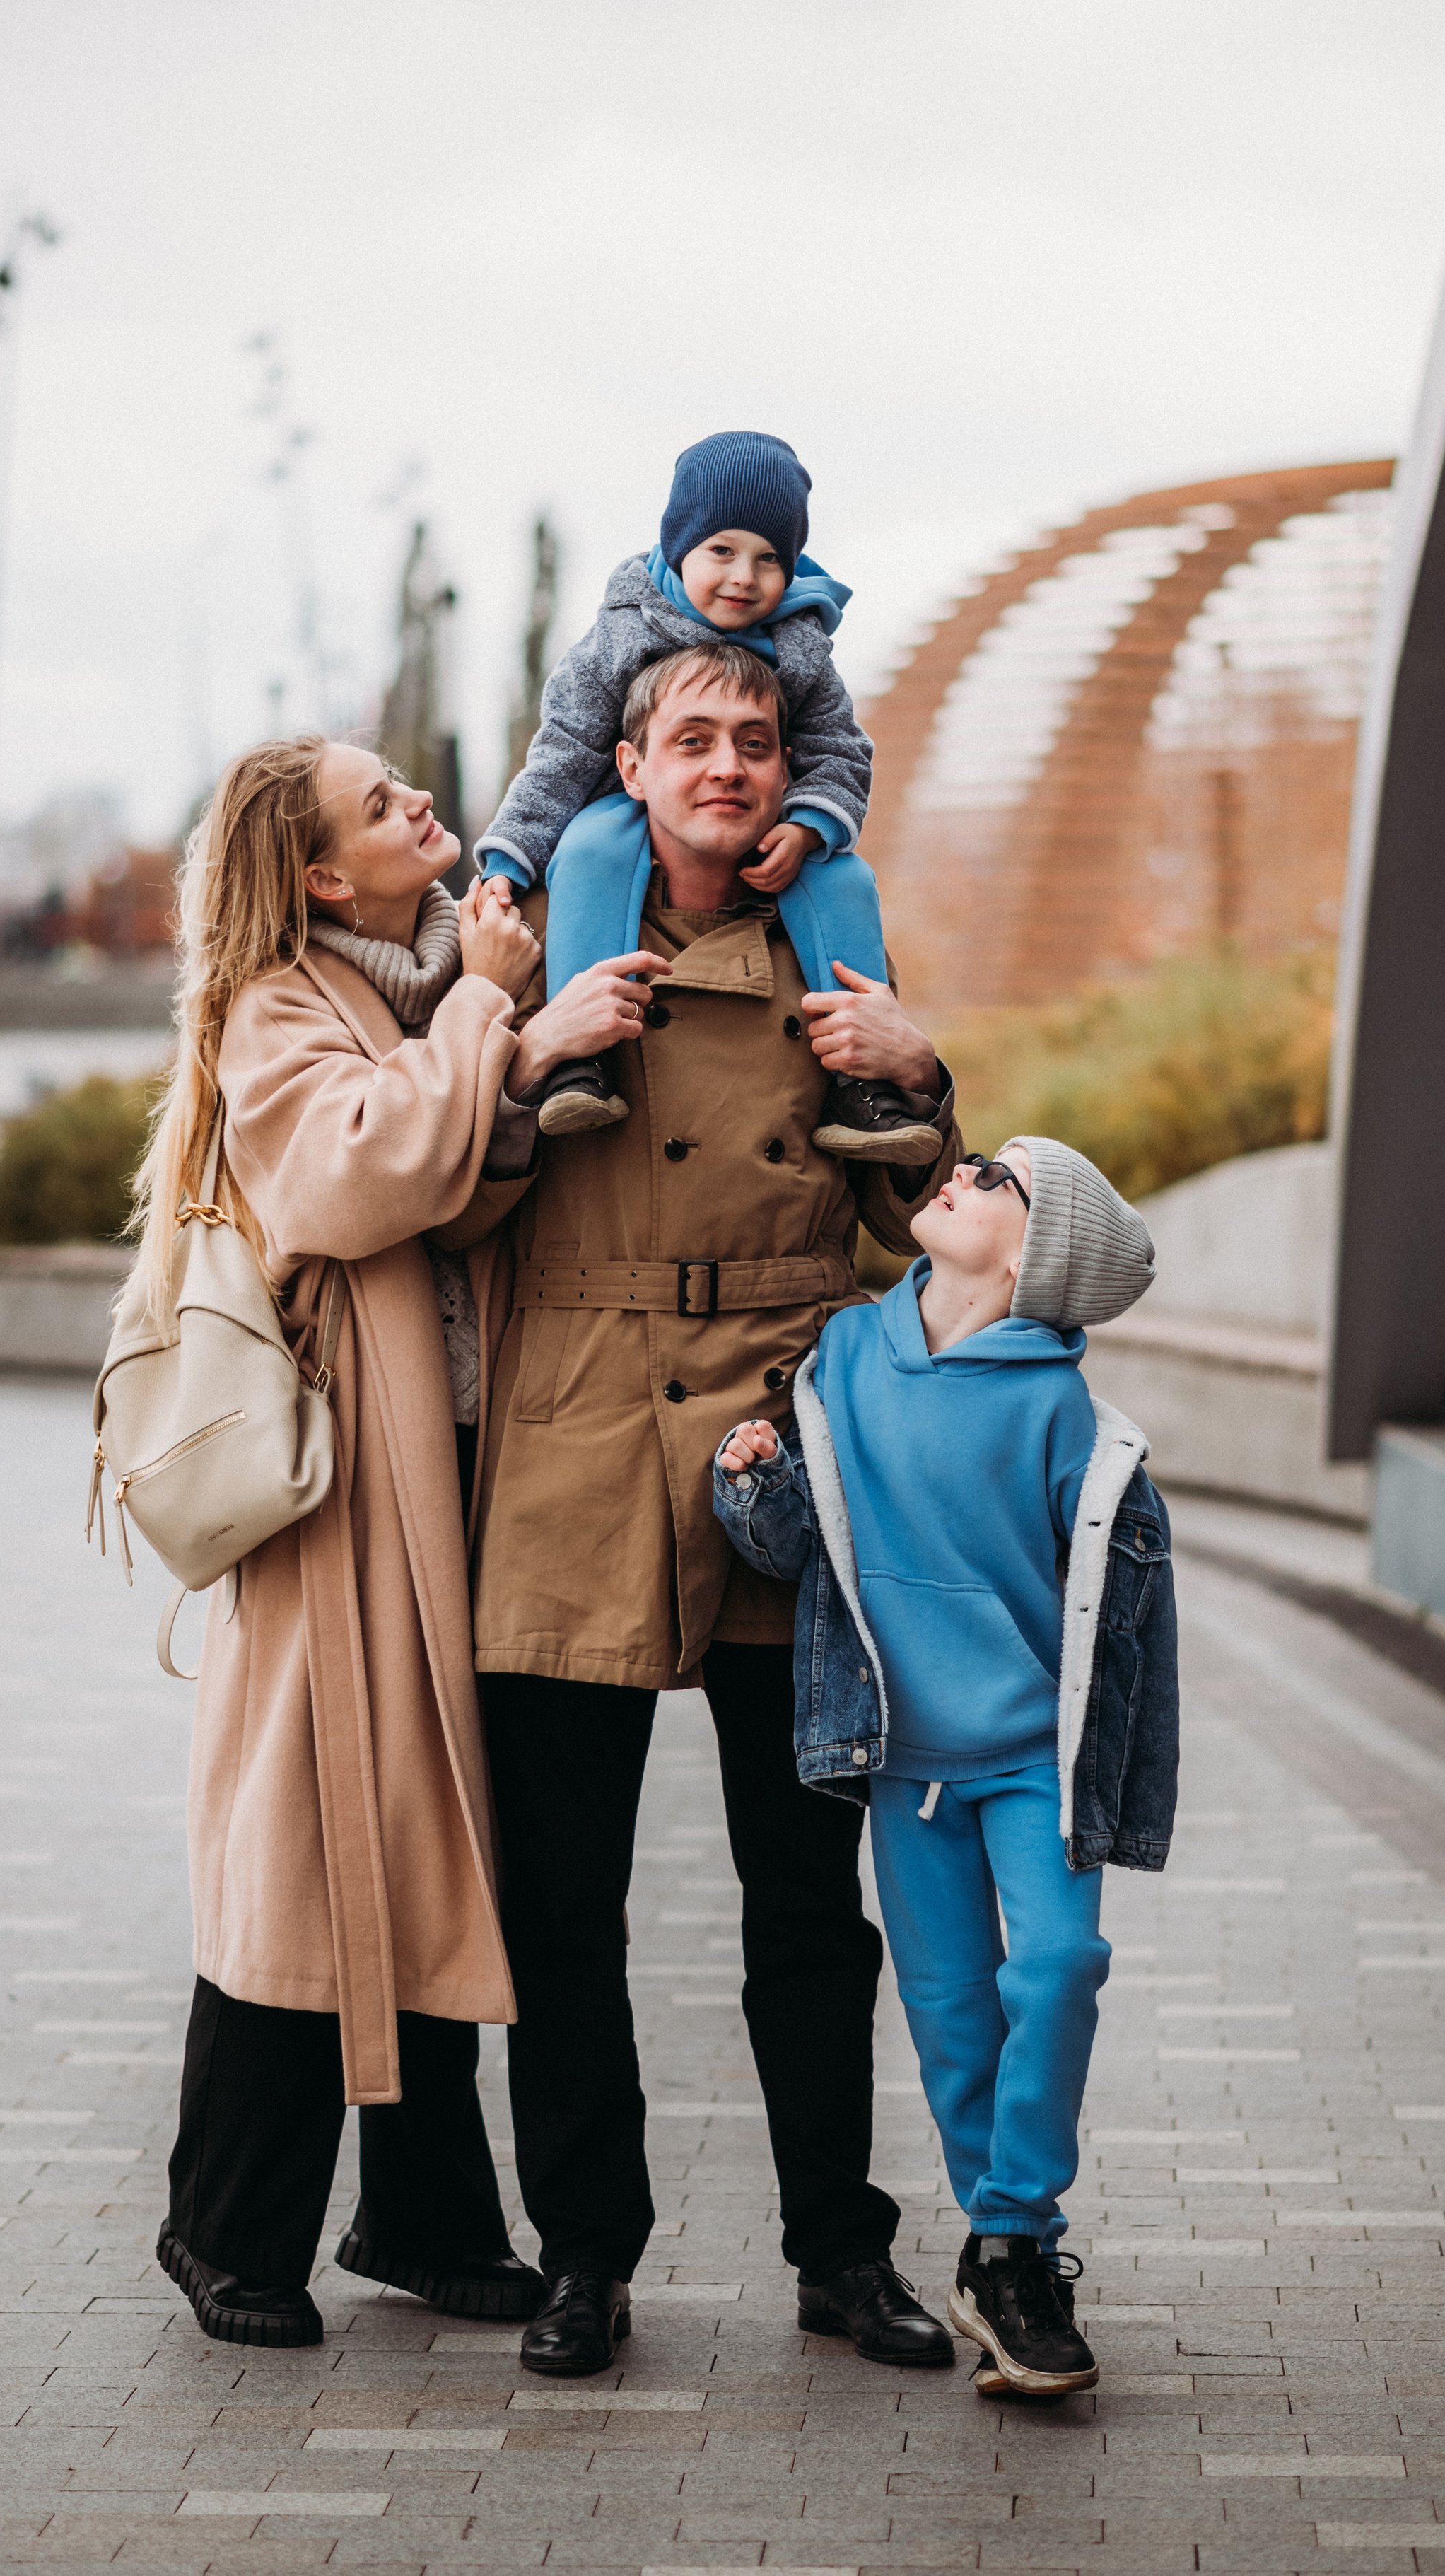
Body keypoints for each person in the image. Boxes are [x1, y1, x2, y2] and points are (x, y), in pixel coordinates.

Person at [469, 634, 964, 2377]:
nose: (731, 761)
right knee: (561, 1895)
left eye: (758, 735)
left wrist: (914, 1074)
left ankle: (839, 2249)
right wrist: (522, 1056)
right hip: (576, 1438)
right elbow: (441, 1211)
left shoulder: (830, 954)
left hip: (781, 1438)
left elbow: (937, 1240)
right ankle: (582, 2253)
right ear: (628, 761)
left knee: (805, 1896)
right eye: (694, 734)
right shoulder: (539, 949)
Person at [122, 731, 548, 2350]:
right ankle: (219, 2220)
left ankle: (419, 2211)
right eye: (383, 807)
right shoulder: (278, 1006)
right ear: (316, 872)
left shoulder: (406, 984)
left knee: (425, 1828)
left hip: (430, 1476)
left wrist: (481, 1045)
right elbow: (366, 1177)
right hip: (337, 1495)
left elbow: (457, 1181)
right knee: (304, 1843)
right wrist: (494, 1017)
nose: (422, 806)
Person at [713, 1137, 1178, 2397]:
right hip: (903, 1761)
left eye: (991, 1178)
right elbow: (800, 1534)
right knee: (952, 2017)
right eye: (966, 1161)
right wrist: (746, 1483)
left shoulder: (1060, 1405)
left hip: (1034, 1756)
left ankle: (1017, 2224)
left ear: (1032, 1254)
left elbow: (1111, 1612)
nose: (957, 1173)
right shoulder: (850, 1351)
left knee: (1063, 1960)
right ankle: (1007, 2267)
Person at [473, 429, 940, 1165]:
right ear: (678, 549)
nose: (744, 578)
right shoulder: (622, 635)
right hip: (621, 817)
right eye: (721, 551)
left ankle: (863, 1078)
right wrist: (509, 856)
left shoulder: (801, 646)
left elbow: (839, 750)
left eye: (769, 560)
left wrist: (811, 825)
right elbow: (563, 752)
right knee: (592, 845)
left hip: (775, 835)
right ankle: (578, 1054)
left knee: (846, 877)